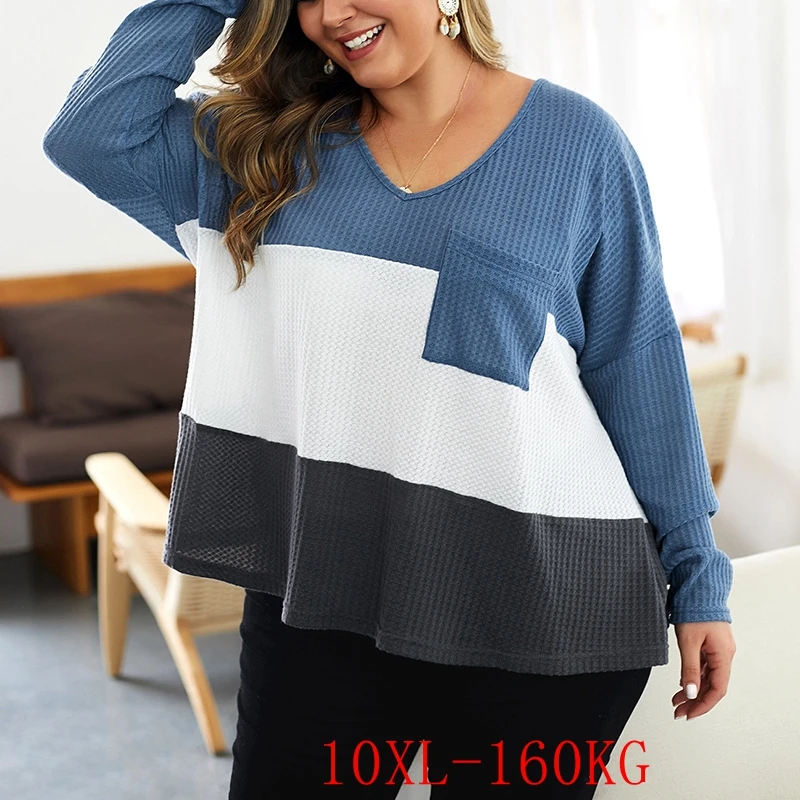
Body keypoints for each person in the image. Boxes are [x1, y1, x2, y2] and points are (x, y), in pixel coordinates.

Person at [42, 0, 737, 796]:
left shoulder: (578, 147)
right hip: (318, 597)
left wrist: (698, 575)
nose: (332, 13)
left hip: (540, 613)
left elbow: (637, 368)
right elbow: (91, 133)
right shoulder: (258, 152)